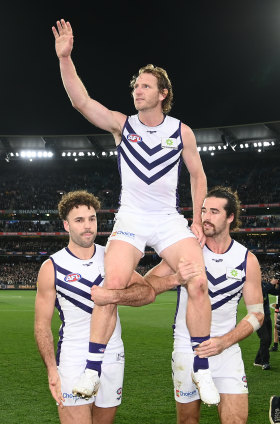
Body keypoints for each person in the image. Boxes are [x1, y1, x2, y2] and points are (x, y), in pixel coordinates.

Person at [52, 19, 218, 404]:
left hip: (167, 219)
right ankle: (92, 371)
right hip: (130, 219)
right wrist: (65, 58)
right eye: (135, 86)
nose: (136, 91)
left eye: (144, 86)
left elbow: (197, 175)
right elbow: (81, 101)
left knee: (196, 279)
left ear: (162, 93)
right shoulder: (123, 127)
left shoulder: (182, 131)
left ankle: (203, 369)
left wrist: (195, 219)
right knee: (111, 288)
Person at [92, 186, 264, 424]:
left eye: (214, 212)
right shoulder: (185, 250)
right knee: (188, 421)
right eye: (203, 211)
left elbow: (257, 315)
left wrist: (224, 342)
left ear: (230, 217)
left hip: (226, 351)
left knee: (236, 420)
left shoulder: (247, 260)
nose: (205, 217)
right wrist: (176, 279)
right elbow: (148, 286)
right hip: (187, 348)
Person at [34, 190, 153, 424]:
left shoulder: (112, 257)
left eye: (92, 219)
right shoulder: (52, 267)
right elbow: (41, 326)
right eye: (79, 220)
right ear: (66, 225)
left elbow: (147, 293)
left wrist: (111, 296)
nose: (87, 226)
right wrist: (51, 369)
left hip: (112, 354)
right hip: (73, 357)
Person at [253, 275, 280, 370]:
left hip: (267, 315)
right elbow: (260, 294)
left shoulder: (263, 284)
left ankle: (258, 360)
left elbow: (276, 292)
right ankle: (265, 362)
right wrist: (271, 284)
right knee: (265, 339)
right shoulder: (250, 286)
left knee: (268, 340)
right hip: (257, 316)